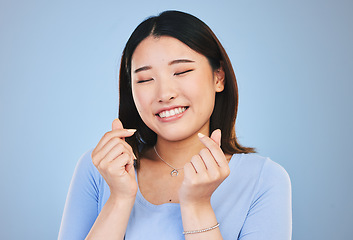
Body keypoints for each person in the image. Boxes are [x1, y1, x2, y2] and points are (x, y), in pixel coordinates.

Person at [58, 10, 292, 240]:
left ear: (218, 77)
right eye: (145, 79)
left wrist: (197, 206)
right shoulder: (100, 170)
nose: (164, 94)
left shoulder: (264, 179)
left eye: (181, 71)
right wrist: (118, 199)